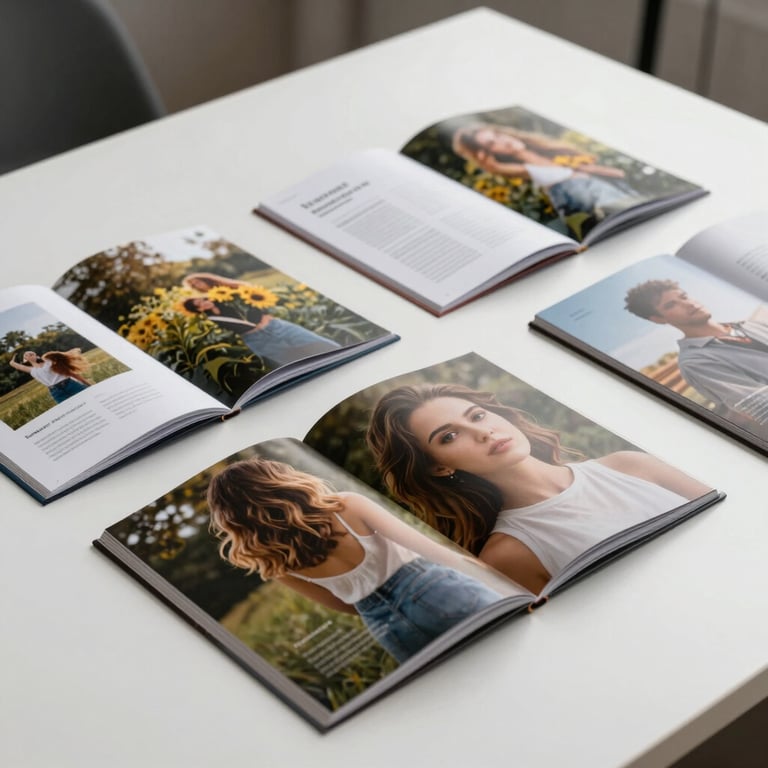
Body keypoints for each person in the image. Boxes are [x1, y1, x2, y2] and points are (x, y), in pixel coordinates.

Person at [367, 383, 710, 593]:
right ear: (440, 466)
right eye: (449, 436)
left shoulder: (630, 464)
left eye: (476, 416)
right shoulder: (508, 554)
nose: (483, 432)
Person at [206, 458, 507, 663]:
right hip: (435, 588)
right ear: (281, 481)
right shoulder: (347, 505)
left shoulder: (275, 564)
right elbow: (430, 550)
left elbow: (343, 606)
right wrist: (499, 580)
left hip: (386, 628)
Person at [624, 279, 768, 426]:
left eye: (684, 297)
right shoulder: (694, 362)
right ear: (658, 319)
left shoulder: (752, 326)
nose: (689, 304)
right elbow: (762, 407)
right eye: (671, 305)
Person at [451, 122, 641, 220]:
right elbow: (497, 168)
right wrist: (487, 162)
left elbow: (610, 172)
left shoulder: (550, 150)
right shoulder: (523, 170)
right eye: (493, 143)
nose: (503, 141)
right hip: (581, 198)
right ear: (490, 153)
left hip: (608, 188)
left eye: (498, 135)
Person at [181, 295, 340, 369]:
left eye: (201, 299)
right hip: (256, 338)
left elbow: (254, 302)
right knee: (294, 362)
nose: (203, 303)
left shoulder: (227, 298)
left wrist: (263, 320)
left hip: (272, 325)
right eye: (198, 305)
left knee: (320, 346)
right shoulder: (213, 318)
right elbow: (238, 327)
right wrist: (257, 326)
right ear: (198, 310)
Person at [10, 348, 92, 403]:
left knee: (89, 400)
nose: (28, 354)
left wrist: (87, 383)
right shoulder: (31, 370)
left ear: (36, 355)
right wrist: (13, 358)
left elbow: (69, 372)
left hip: (70, 385)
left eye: (31, 353)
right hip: (56, 392)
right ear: (25, 359)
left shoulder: (48, 361)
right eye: (26, 355)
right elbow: (13, 364)